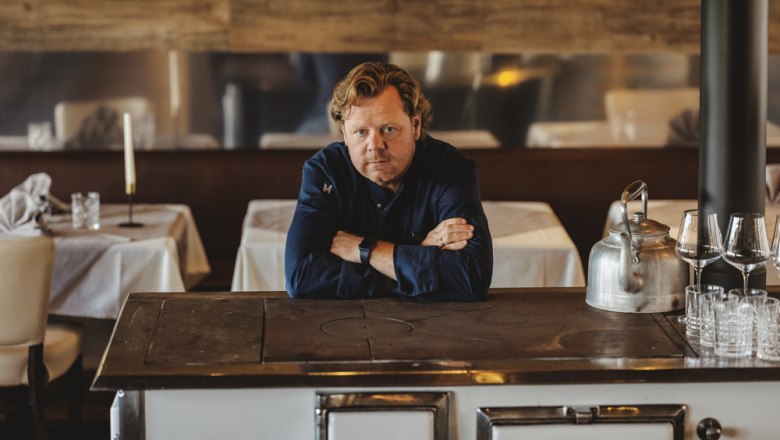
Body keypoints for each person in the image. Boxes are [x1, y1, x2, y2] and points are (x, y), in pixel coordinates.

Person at [285, 62, 492, 301]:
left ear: (414, 126)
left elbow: (470, 278)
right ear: (344, 133)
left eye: (389, 129)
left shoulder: (451, 170)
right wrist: (416, 257)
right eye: (361, 132)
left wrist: (365, 250)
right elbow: (301, 279)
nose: (375, 145)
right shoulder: (324, 171)